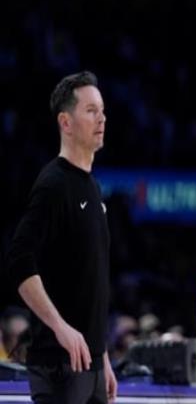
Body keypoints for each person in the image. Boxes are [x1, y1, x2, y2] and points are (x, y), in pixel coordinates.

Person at [6, 71, 117, 403]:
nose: (102, 118)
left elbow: (91, 282)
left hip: (91, 365)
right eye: (91, 111)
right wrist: (60, 327)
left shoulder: (93, 187)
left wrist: (102, 355)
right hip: (58, 364)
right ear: (66, 123)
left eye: (102, 110)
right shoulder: (53, 184)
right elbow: (19, 262)